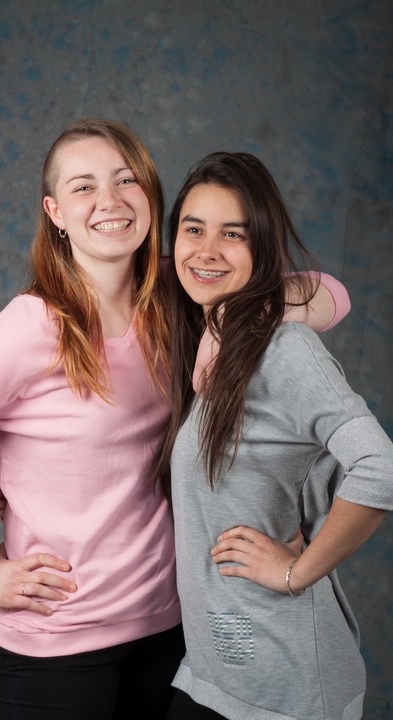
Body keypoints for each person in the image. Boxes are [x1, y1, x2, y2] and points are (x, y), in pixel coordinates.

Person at [0, 119, 348, 720]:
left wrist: (232, 323)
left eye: (125, 180)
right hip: (59, 650)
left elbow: (328, 292)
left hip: (175, 632)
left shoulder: (182, 291)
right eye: (83, 187)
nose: (110, 200)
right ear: (55, 212)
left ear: (149, 193)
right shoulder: (31, 327)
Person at [155, 151, 393, 720]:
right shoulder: (204, 340)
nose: (207, 249)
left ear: (261, 246)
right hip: (213, 673)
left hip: (288, 685)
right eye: (194, 229)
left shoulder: (284, 348)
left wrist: (296, 572)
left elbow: (381, 468)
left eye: (233, 233)